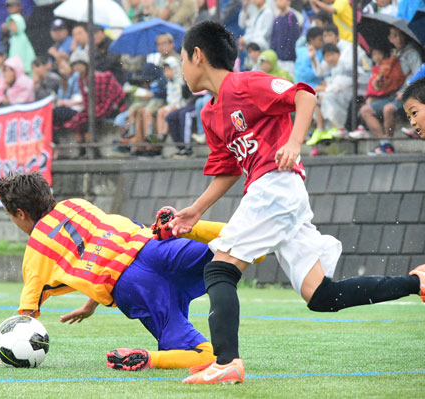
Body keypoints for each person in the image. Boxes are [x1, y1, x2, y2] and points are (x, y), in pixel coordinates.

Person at [170, 20, 424, 385]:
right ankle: (416, 283)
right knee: (322, 295)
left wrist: (294, 143)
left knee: (219, 268)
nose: (180, 67)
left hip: (276, 187)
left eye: (181, 58)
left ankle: (227, 362)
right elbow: (227, 168)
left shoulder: (246, 83)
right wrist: (197, 209)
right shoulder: (211, 114)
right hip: (272, 193)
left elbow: (304, 94)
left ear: (197, 55)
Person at [0, 173, 266, 370]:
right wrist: (91, 303)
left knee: (206, 355)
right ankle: (182, 226)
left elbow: (26, 318)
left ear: (19, 213)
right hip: (152, 249)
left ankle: (150, 359)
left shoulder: (36, 252)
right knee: (243, 247)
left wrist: (11, 353)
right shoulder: (77, 205)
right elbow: (100, 245)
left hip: (133, 287)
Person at [353, 26, 422, 154]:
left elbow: (418, 75)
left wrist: (406, 92)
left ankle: (389, 142)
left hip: (409, 94)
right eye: (394, 36)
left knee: (388, 109)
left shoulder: (411, 53)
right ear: (390, 39)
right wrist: (379, 82)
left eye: (400, 35)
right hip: (393, 94)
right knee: (365, 110)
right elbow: (387, 82)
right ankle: (384, 142)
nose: (399, 39)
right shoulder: (392, 56)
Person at [66, 50, 127, 159]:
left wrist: (92, 112)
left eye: (80, 64)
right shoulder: (81, 79)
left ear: (85, 64)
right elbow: (86, 100)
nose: (78, 68)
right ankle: (82, 151)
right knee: (77, 120)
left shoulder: (95, 78)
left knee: (87, 122)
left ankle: (92, 151)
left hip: (108, 106)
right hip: (93, 107)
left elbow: (105, 98)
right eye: (75, 65)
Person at [309, 43, 353, 142]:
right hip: (336, 93)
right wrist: (313, 58)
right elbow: (320, 72)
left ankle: (336, 128)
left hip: (347, 96)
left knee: (325, 97)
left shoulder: (345, 65)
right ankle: (320, 129)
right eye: (327, 56)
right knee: (316, 97)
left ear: (338, 54)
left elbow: (341, 85)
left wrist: (324, 88)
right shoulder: (333, 68)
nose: (330, 58)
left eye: (332, 55)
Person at [270, 0, 301, 78]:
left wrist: (291, 53)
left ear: (289, 2)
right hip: (278, 57)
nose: (279, 2)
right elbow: (274, 37)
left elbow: (295, 36)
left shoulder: (291, 17)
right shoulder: (277, 18)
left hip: (289, 59)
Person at [6, 12, 36, 76]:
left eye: (14, 24)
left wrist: (27, 69)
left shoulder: (23, 38)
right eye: (10, 25)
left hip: (24, 72)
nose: (12, 27)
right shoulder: (13, 39)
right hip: (14, 72)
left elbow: (29, 54)